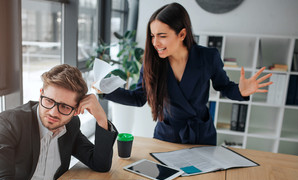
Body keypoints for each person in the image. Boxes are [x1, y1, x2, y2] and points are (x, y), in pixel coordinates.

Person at [103, 2, 272, 145]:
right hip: (167, 136)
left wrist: (240, 91)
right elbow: (138, 97)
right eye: (152, 36)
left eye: (162, 36)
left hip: (201, 136)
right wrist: (104, 90)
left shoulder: (208, 57)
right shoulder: (152, 63)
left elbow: (224, 86)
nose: (155, 42)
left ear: (182, 34)